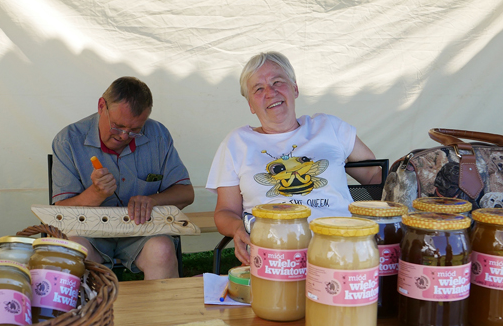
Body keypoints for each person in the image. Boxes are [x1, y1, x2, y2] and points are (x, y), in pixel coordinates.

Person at [206, 52, 382, 265]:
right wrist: (237, 228)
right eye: (258, 89)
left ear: (295, 88)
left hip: (341, 246)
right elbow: (225, 211)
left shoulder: (330, 127)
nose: (270, 92)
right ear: (251, 105)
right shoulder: (236, 142)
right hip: (275, 252)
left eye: (277, 82)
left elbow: (375, 176)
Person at [51, 77, 194, 279]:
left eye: (135, 130)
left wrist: (152, 200)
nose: (124, 136)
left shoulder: (158, 135)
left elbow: (186, 193)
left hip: (141, 231)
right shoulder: (68, 140)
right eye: (117, 126)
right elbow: (60, 211)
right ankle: (84, 303)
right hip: (88, 232)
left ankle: (162, 302)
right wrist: (96, 194)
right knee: (72, 253)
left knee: (162, 250)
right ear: (102, 106)